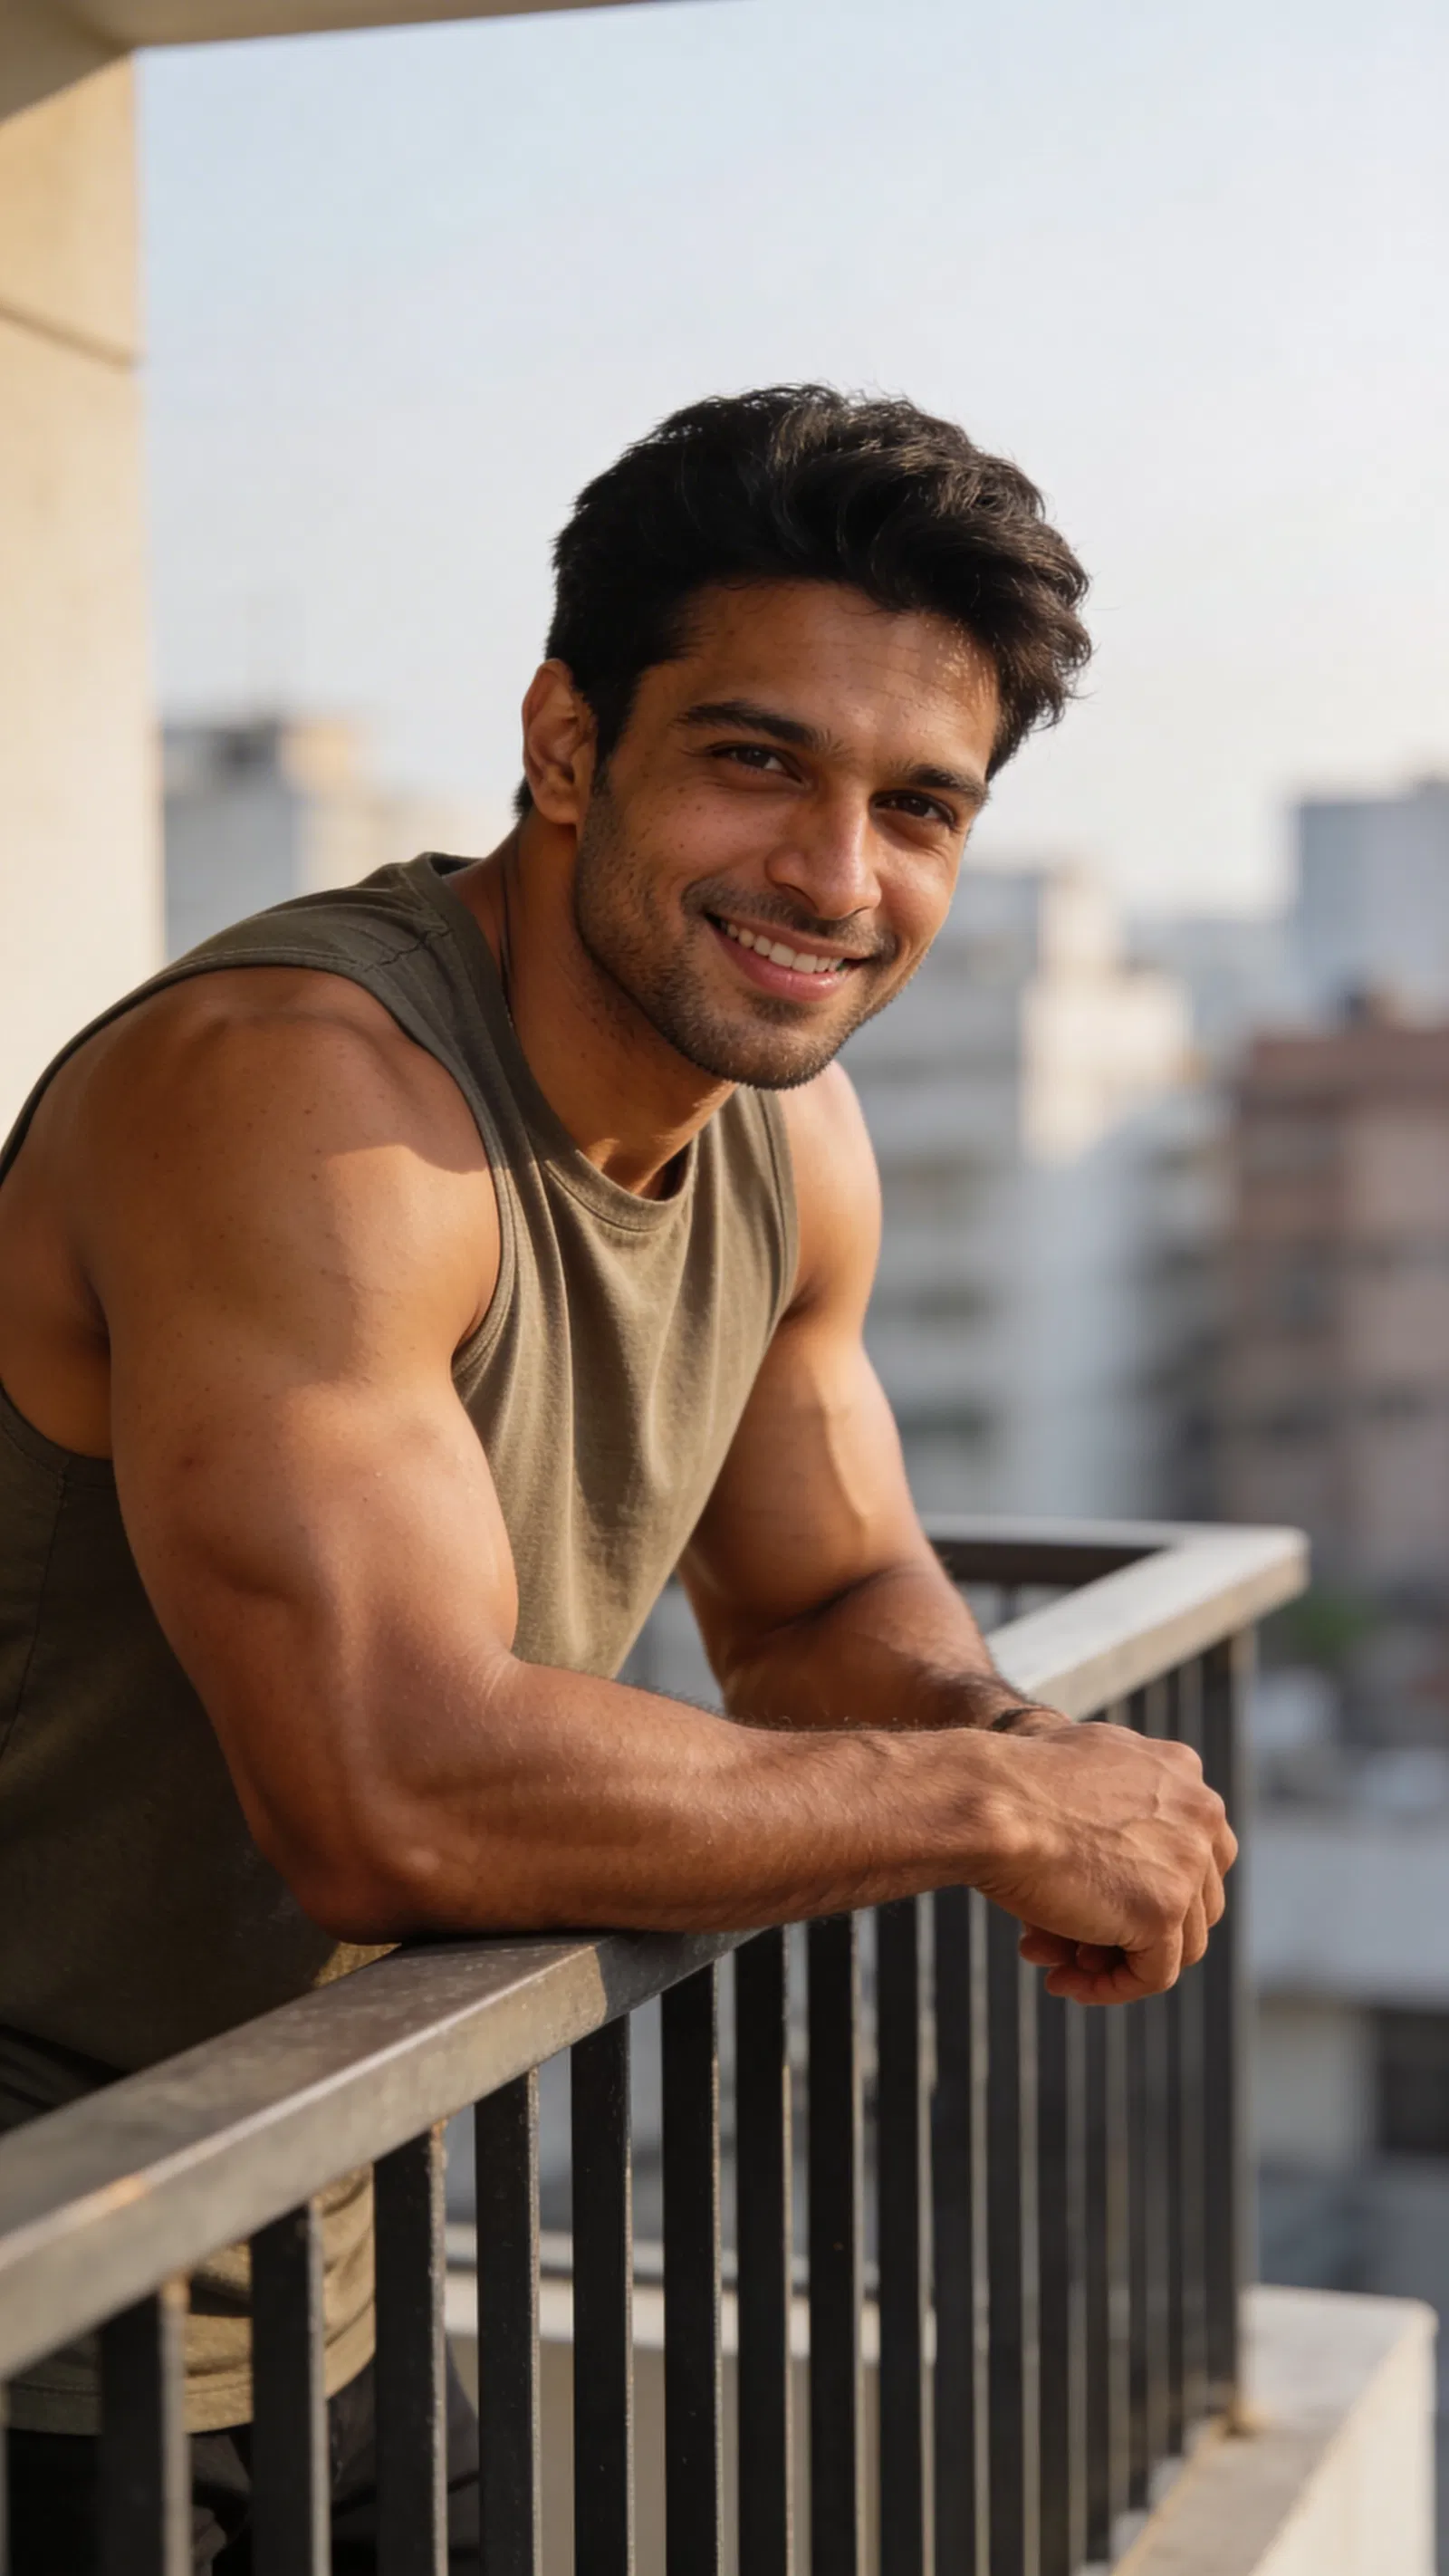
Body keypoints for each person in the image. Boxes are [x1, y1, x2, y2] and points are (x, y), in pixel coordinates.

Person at [0, 385, 1233, 2566]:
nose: (833, 880)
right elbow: (385, 1785)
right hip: (36, 2295)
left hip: (324, 2236)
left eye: (916, 806)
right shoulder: (301, 1104)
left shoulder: (785, 1129)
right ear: (568, 743)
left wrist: (1010, 1741)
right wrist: (987, 1807)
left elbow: (822, 1608)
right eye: (758, 760)